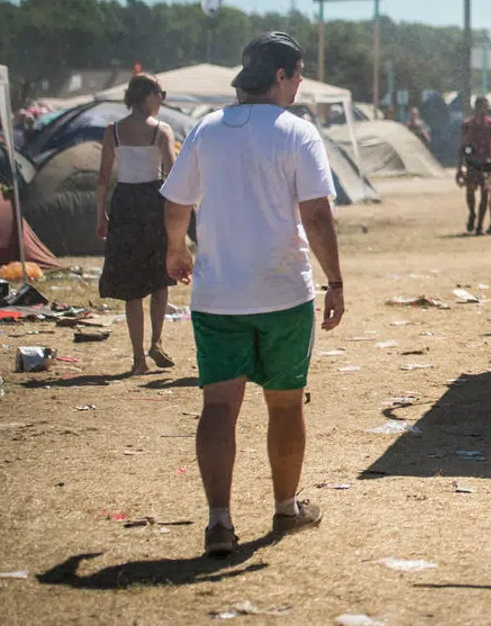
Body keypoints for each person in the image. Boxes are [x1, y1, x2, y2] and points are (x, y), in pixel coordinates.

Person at [161, 32, 345, 558]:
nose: (301, 82)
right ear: (282, 76)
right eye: (299, 73)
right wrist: (335, 281)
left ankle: (219, 523)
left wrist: (177, 250)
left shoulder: (206, 130)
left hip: (218, 296)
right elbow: (316, 214)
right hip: (284, 293)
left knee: (219, 406)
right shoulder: (297, 132)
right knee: (285, 405)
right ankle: (285, 509)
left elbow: (176, 203)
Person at [96, 73, 179, 374]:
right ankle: (156, 341)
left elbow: (104, 178)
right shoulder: (161, 130)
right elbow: (171, 171)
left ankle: (138, 359)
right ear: (148, 96)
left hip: (125, 203)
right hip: (153, 202)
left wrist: (100, 215)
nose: (162, 100)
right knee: (159, 278)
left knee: (132, 286)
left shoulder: (113, 131)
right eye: (161, 94)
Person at [458, 96, 491, 235]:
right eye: (480, 107)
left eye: (485, 107)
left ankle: (480, 226)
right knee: (470, 191)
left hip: (487, 163)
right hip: (472, 163)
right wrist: (460, 167)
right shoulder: (467, 125)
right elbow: (463, 146)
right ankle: (472, 213)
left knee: (485, 194)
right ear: (475, 108)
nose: (483, 110)